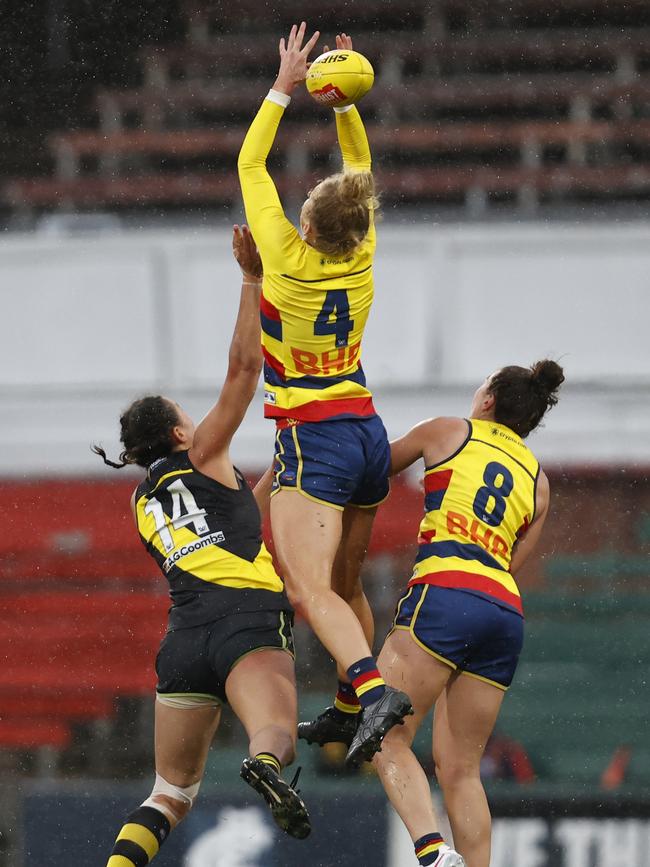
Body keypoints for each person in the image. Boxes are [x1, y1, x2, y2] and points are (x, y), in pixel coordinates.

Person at [94, 226, 310, 867]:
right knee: (275, 734)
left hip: (186, 635)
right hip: (248, 617)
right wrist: (252, 278)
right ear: (179, 430)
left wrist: (279, 472)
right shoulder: (205, 452)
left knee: (169, 792)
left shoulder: (140, 505)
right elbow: (244, 369)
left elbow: (230, 519)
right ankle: (266, 767)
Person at [237, 23, 411, 768]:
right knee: (344, 583)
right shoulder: (362, 245)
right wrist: (343, 101)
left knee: (310, 588)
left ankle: (372, 691)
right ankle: (346, 708)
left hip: (314, 437)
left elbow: (250, 160)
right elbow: (360, 165)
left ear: (307, 220)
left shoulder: (284, 254)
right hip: (367, 429)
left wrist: (287, 81)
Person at [371, 360, 565, 867]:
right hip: (502, 611)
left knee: (383, 734)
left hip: (444, 591)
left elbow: (372, 468)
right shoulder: (539, 481)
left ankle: (433, 852)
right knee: (462, 769)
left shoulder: (448, 431)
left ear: (488, 402)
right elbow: (510, 564)